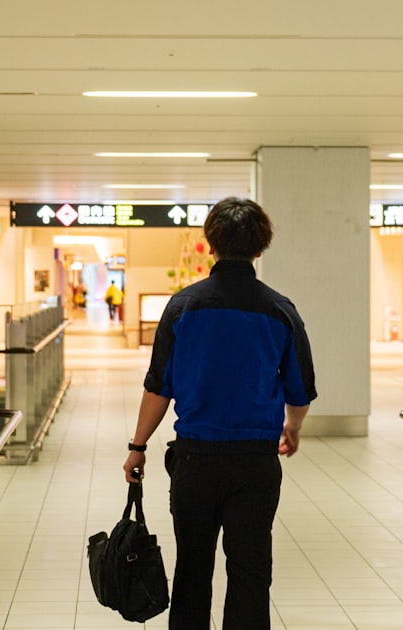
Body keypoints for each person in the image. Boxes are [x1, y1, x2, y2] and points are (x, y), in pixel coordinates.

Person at [122, 197, 317, 630]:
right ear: (260, 248)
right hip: (255, 463)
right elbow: (300, 391)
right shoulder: (280, 310)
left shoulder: (183, 307)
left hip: (194, 462)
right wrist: (293, 427)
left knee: (192, 570)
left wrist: (137, 447)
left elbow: (158, 387)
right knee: (250, 573)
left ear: (210, 244)